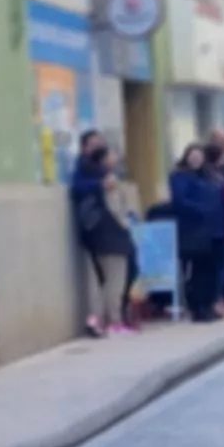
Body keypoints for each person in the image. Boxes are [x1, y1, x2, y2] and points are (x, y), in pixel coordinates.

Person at [70, 141, 138, 336]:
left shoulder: (85, 175)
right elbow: (117, 210)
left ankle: (96, 318)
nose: (116, 158)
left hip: (95, 235)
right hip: (111, 235)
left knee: (106, 281)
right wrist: (128, 221)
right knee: (114, 281)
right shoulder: (106, 180)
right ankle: (112, 322)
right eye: (112, 155)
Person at [169, 144, 224, 322]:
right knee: (199, 271)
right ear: (186, 157)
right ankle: (198, 307)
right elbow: (180, 201)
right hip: (195, 231)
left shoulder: (210, 176)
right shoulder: (179, 176)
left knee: (215, 268)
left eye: (199, 155)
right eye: (192, 155)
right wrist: (204, 210)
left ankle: (210, 303)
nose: (196, 158)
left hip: (216, 229)